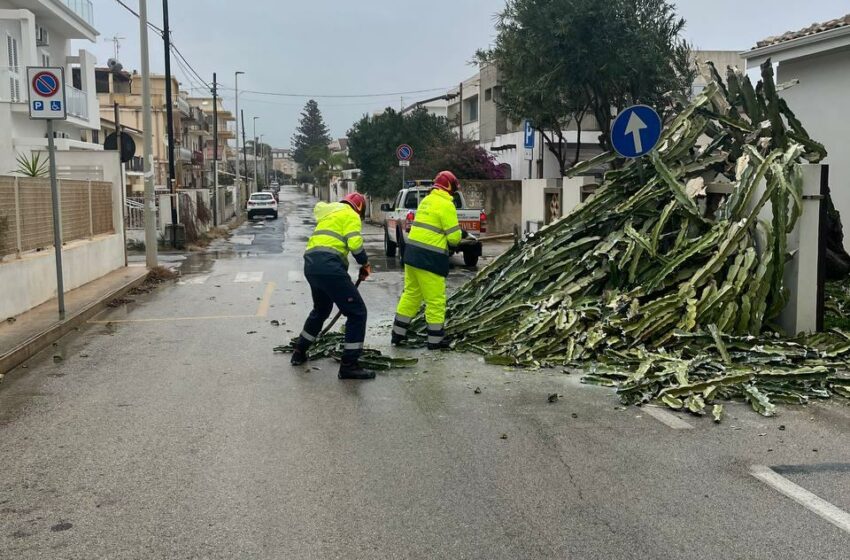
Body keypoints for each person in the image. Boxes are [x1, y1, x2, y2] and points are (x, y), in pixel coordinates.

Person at [291, 192, 374, 380]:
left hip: (311, 265)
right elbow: (355, 244)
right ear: (359, 208)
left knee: (321, 310)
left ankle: (299, 351)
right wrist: (365, 264)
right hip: (329, 267)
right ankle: (349, 366)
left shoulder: (329, 214)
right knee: (357, 313)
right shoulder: (350, 214)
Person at [392, 171, 463, 349]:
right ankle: (435, 340)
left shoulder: (426, 200)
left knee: (410, 295)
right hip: (429, 259)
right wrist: (456, 237)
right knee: (435, 300)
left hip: (412, 255)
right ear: (450, 188)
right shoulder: (446, 205)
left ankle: (397, 334)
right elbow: (454, 238)